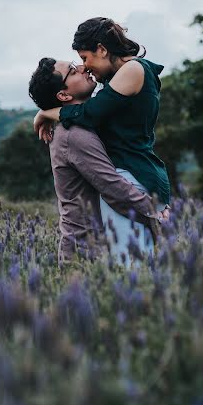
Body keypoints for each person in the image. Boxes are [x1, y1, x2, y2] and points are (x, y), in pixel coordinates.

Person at [33, 17, 171, 261]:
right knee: (135, 273)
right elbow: (110, 183)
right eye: (77, 67)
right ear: (63, 94)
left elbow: (90, 112)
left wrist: (46, 111)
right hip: (92, 240)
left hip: (133, 178)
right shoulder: (73, 134)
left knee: (133, 273)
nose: (85, 67)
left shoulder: (131, 70)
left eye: (84, 59)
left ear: (103, 49)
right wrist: (153, 211)